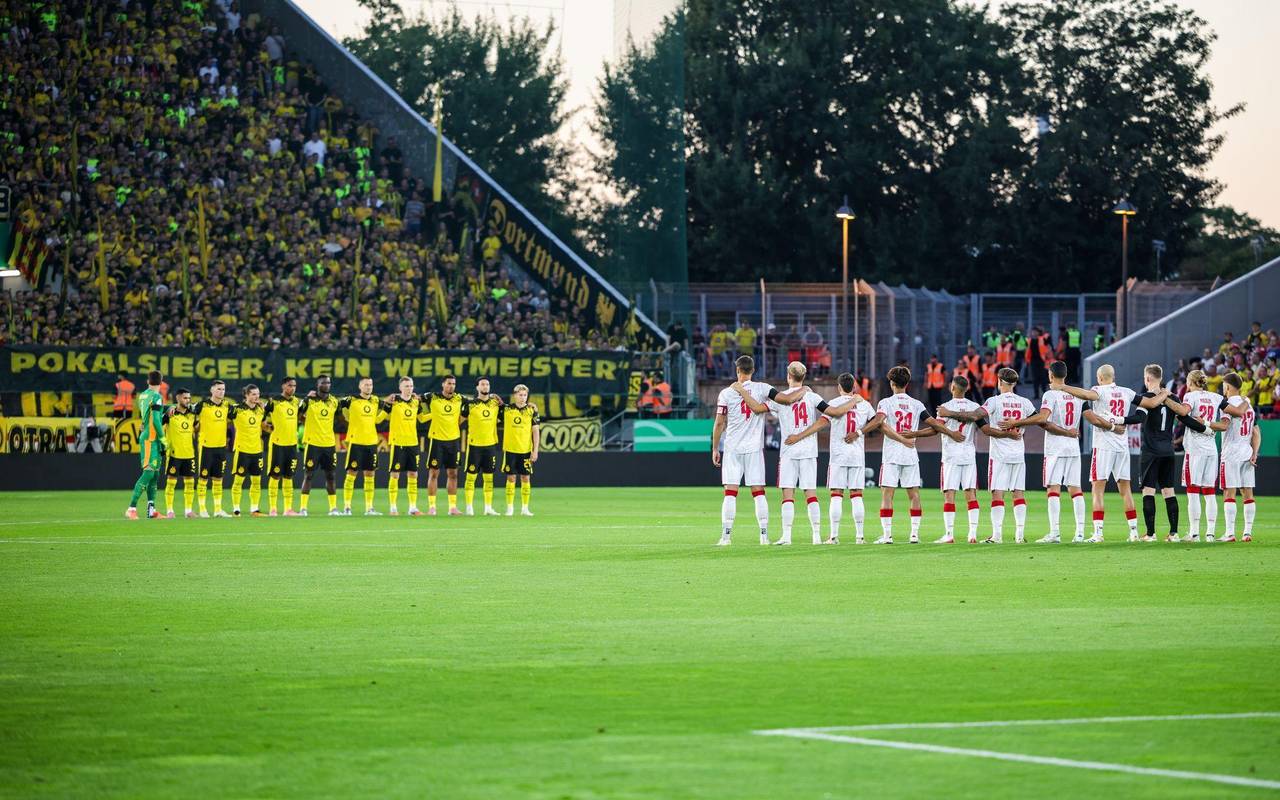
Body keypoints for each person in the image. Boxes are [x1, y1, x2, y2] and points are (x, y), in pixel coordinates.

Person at [712, 355, 804, 545]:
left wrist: (715, 448)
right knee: (758, 492)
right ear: (753, 370)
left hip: (732, 448)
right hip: (754, 448)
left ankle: (726, 537)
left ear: (737, 370)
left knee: (730, 492)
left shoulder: (726, 393)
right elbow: (785, 399)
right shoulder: (763, 388)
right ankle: (764, 536)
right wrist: (804, 390)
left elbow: (720, 422)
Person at [784, 372, 877, 544]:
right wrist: (859, 432)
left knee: (836, 495)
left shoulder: (833, 404)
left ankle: (834, 536)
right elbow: (877, 421)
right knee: (856, 495)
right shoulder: (864, 404)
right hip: (856, 455)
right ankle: (860, 536)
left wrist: (799, 436)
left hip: (838, 456)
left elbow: (820, 424)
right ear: (854, 387)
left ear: (839, 387)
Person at [944, 368, 1034, 544]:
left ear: (999, 381)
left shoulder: (993, 401)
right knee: (1018, 494)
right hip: (1018, 452)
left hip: (999, 454)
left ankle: (997, 536)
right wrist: (1019, 422)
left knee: (997, 494)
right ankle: (1020, 535)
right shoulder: (1024, 402)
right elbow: (1040, 419)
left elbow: (975, 416)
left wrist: (950, 413)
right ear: (1014, 383)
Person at [1000, 361, 1086, 543]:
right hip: (1073, 447)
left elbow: (1043, 418)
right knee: (1076, 490)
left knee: (1053, 489)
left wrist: (1016, 422)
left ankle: (1055, 533)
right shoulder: (1076, 395)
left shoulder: (1050, 394)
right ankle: (1079, 533)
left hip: (1055, 448)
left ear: (1050, 376)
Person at [1057, 365, 1140, 542]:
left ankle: (1098, 533)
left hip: (1103, 445)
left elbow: (1088, 395)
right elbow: (1147, 404)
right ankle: (1134, 532)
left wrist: (1063, 386)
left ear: (1100, 378)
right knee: (1126, 490)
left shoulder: (1098, 390)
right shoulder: (1126, 392)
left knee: (1098, 489)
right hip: (1122, 446)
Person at [1131, 365, 1206, 542]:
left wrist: (1116, 422)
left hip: (1150, 451)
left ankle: (1150, 534)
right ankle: (1174, 534)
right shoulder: (1173, 397)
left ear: (1147, 379)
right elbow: (1185, 419)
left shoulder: (1147, 398)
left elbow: (1139, 418)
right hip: (1168, 450)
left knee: (1148, 491)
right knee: (1169, 492)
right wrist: (1205, 427)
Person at [763, 362, 829, 546]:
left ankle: (786, 536)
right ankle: (816, 535)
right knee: (811, 493)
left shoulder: (780, 398)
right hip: (808, 450)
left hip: (789, 451)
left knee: (788, 494)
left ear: (788, 376)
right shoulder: (812, 396)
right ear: (804, 377)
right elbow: (827, 416)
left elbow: (762, 408)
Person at [916, 374, 982, 544]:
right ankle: (972, 534)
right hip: (968, 455)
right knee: (971, 494)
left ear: (952, 387)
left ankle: (949, 534)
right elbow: (983, 428)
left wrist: (915, 434)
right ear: (967, 389)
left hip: (951, 456)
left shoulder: (945, 407)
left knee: (949, 495)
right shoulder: (975, 407)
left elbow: (936, 429)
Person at [870, 366, 932, 544]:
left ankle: (887, 535)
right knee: (914, 494)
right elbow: (934, 426)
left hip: (891, 454)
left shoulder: (885, 403)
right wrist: (914, 435)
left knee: (887, 494)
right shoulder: (917, 404)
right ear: (907, 383)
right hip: (910, 454)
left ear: (891, 383)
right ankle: (914, 534)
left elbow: (880, 422)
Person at [1180, 369, 1240, 541]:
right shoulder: (1216, 397)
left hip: (1195, 449)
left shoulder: (1190, 397)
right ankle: (1211, 533)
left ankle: (1194, 533)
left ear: (1190, 383)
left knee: (1193, 491)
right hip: (1211, 449)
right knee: (1209, 492)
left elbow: (1184, 412)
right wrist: (1244, 404)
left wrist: (1175, 406)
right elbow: (1234, 412)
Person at [1219, 372, 1260, 542]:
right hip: (1247, 452)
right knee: (1247, 492)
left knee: (1229, 492)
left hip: (1230, 453)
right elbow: (1256, 432)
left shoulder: (1227, 405)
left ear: (1227, 386)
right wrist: (1255, 453)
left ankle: (1229, 533)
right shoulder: (1248, 406)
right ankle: (1247, 532)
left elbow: (1223, 425)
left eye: (1223, 385)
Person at [339, 377, 386, 516]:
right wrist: (348, 417)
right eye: (366, 385)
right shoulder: (351, 400)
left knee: (370, 474)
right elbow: (343, 412)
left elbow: (376, 420)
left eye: (370, 384)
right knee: (351, 474)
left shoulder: (375, 400)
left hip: (371, 442)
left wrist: (386, 410)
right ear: (360, 386)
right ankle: (347, 507)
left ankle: (369, 508)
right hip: (356, 442)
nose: (369, 387)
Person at [384, 377, 430, 516]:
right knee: (395, 475)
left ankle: (413, 508)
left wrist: (437, 414)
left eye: (411, 386)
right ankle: (393, 508)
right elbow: (382, 416)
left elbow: (422, 418)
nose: (409, 388)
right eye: (406, 386)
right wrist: (386, 401)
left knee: (413, 474)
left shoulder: (416, 401)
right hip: (398, 443)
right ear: (400, 388)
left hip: (413, 443)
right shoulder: (394, 401)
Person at [125, 370, 167, 520]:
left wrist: (167, 410)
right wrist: (164, 440)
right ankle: (131, 508)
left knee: (155, 474)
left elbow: (147, 416)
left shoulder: (142, 395)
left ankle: (151, 510)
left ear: (148, 381)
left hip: (150, 436)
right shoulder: (157, 397)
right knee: (149, 472)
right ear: (161, 382)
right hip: (151, 438)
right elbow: (155, 421)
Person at [298, 376, 342, 516]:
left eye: (329, 382)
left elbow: (340, 418)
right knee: (309, 475)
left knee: (331, 476)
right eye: (324, 382)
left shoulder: (334, 401)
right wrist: (307, 422)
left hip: (329, 444)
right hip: (313, 444)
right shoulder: (309, 400)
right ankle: (303, 508)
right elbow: (298, 414)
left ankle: (333, 508)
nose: (327, 385)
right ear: (317, 384)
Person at [423, 375, 465, 515]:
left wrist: (495, 399)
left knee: (453, 474)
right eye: (449, 383)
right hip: (437, 440)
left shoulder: (459, 398)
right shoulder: (432, 397)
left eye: (453, 383)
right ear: (443, 384)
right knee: (434, 473)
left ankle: (452, 507)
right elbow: (413, 398)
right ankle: (432, 507)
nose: (451, 386)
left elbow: (477, 402)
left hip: (453, 441)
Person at [462, 378, 504, 516]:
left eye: (487, 384)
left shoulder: (495, 404)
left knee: (489, 478)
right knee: (471, 478)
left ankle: (488, 508)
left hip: (490, 445)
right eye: (482, 384)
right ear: (477, 387)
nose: (485, 386)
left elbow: (509, 413)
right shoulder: (470, 404)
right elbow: (458, 421)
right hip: (474, 445)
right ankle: (469, 507)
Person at [193, 379, 234, 518]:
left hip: (220, 447)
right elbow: (188, 412)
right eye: (218, 389)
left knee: (218, 479)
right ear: (211, 390)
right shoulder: (202, 405)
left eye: (223, 389)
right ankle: (203, 509)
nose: (221, 392)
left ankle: (218, 510)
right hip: (206, 447)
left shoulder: (227, 406)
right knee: (203, 478)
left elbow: (241, 413)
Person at [264, 377, 303, 516]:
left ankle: (288, 509)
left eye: (294, 385)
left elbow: (304, 415)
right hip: (277, 444)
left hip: (292, 444)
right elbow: (259, 416)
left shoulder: (297, 402)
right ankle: (273, 508)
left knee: (288, 476)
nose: (292, 388)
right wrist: (267, 428)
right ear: (283, 386)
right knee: (275, 476)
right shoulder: (274, 401)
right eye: (289, 385)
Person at [502, 384, 541, 516]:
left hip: (525, 450)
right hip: (510, 450)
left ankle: (525, 508)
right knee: (511, 478)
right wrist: (492, 396)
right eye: (520, 395)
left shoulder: (532, 411)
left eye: (525, 395)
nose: (523, 397)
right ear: (515, 395)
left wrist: (535, 451)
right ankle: (510, 508)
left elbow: (535, 432)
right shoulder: (506, 409)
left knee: (525, 478)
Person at [229, 384, 267, 516]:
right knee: (238, 481)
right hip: (242, 450)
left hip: (257, 450)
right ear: (246, 395)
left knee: (256, 481)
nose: (257, 396)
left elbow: (264, 425)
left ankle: (254, 509)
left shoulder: (260, 410)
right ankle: (236, 509)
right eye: (253, 394)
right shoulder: (237, 410)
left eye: (258, 394)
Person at [162, 389, 198, 519]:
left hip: (189, 454)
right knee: (171, 483)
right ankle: (170, 510)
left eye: (189, 398)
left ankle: (188, 510)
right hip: (174, 454)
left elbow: (197, 427)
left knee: (189, 484)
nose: (187, 400)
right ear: (178, 398)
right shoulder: (169, 414)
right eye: (185, 398)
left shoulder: (192, 414)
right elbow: (156, 418)